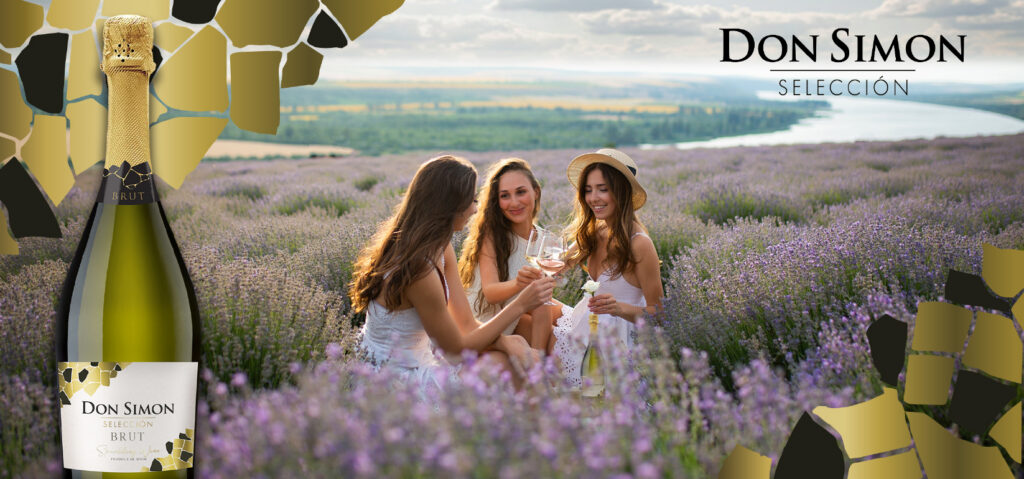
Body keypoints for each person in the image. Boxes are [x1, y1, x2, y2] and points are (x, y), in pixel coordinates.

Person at [349, 155, 554, 394]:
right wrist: (520, 304)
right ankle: (533, 422)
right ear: (449, 205)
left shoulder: (439, 246)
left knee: (512, 348)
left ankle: (534, 417)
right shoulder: (419, 268)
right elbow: (456, 351)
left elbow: (466, 323)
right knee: (504, 365)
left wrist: (508, 340)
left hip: (422, 356)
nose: (475, 208)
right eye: (471, 200)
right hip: (392, 380)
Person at [552, 148, 663, 389]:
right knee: (533, 315)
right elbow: (560, 262)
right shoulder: (597, 230)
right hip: (586, 322)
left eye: (603, 189)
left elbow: (661, 315)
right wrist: (550, 269)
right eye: (588, 190)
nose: (593, 198)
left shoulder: (639, 244)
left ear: (621, 193)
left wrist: (619, 308)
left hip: (616, 341)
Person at [458, 158, 571, 352]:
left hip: (517, 317)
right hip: (484, 322)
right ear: (497, 201)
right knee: (564, 344)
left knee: (573, 336)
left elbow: (541, 303)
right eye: (505, 196)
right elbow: (491, 292)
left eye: (521, 192)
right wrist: (519, 284)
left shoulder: (546, 240)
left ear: (535, 191)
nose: (514, 202)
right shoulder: (492, 237)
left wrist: (537, 356)